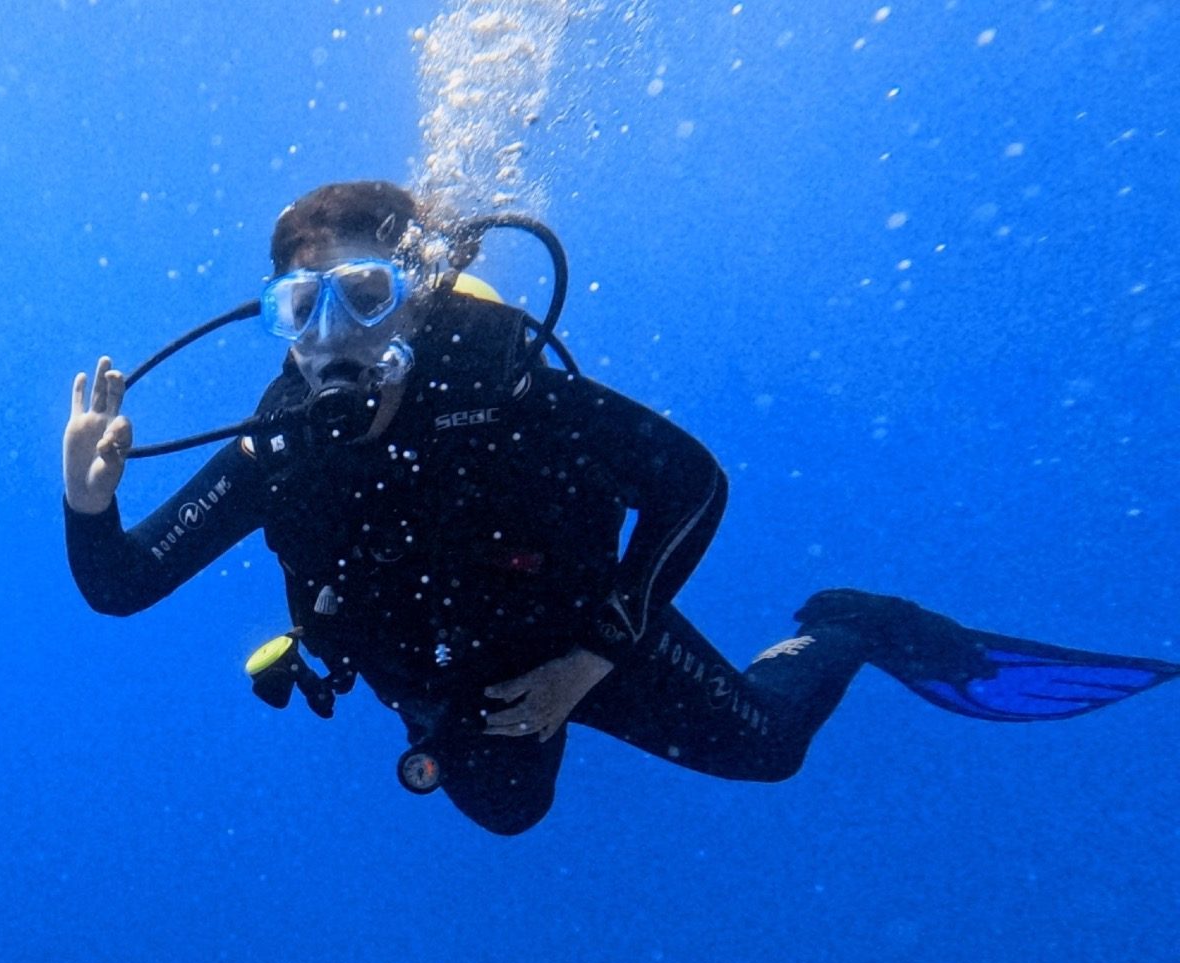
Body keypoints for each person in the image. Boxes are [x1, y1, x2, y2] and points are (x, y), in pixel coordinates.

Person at [62, 180, 1176, 835]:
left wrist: (593, 656)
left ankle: (849, 623)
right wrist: (88, 499)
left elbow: (692, 484)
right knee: (506, 815)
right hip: (446, 673)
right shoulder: (278, 450)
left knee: (766, 754)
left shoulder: (504, 389)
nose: (330, 340)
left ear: (416, 294)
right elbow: (119, 585)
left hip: (590, 632)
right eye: (297, 308)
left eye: (362, 296)